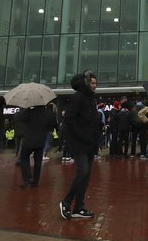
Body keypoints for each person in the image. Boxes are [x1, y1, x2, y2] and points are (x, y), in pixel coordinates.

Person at [59, 70, 101, 220]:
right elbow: (69, 120)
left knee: (86, 176)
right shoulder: (78, 98)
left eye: (96, 83)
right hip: (79, 143)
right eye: (92, 83)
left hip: (90, 143)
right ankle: (66, 202)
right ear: (85, 83)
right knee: (82, 172)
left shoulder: (91, 99)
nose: (95, 86)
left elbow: (90, 120)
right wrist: (81, 136)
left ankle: (79, 207)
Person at [19, 102, 57, 187]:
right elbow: (53, 124)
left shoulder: (30, 111)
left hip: (29, 139)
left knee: (24, 158)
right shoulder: (48, 113)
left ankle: (28, 178)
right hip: (41, 140)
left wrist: (27, 108)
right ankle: (35, 181)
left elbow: (21, 119)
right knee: (38, 161)